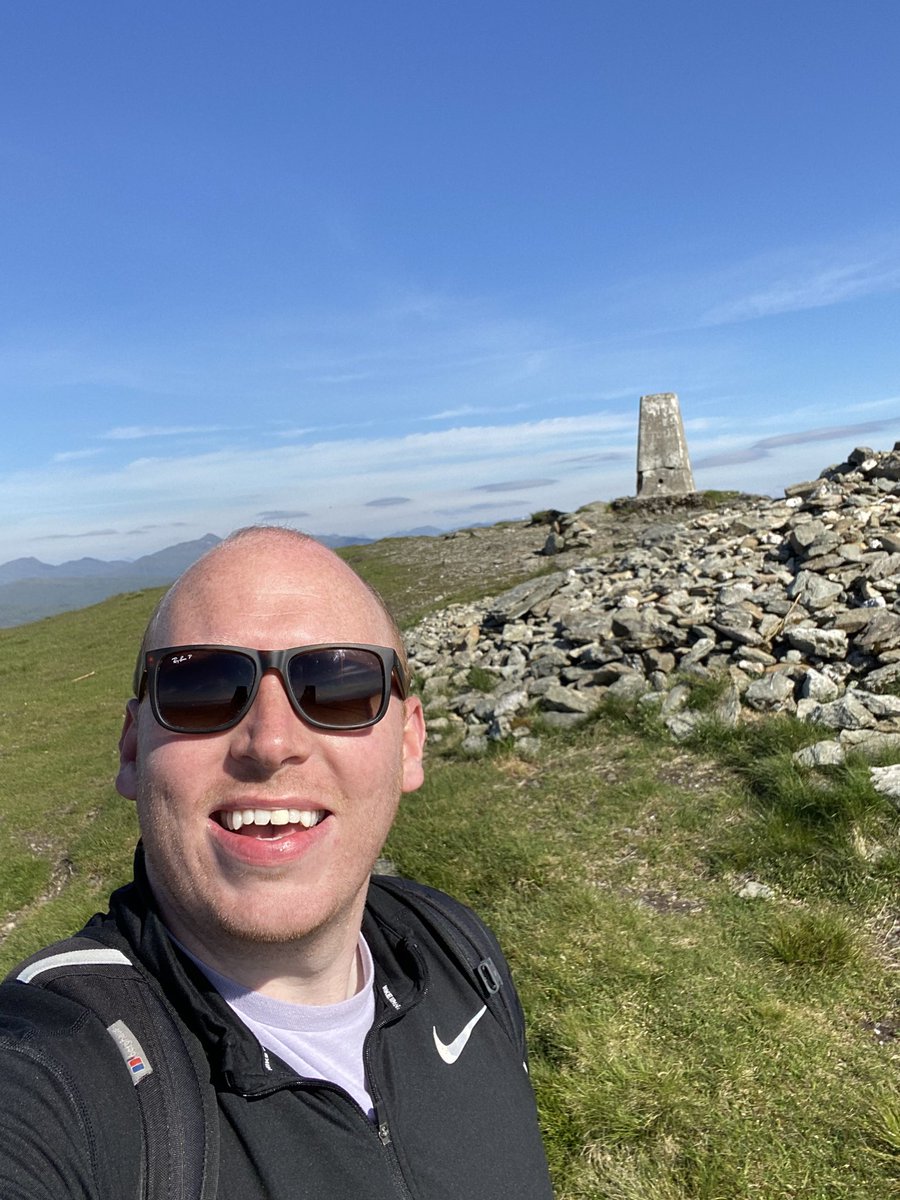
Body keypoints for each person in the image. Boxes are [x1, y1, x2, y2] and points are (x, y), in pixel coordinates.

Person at [0, 527, 554, 1199]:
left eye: (337, 685)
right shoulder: (54, 1060)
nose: (270, 742)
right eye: (200, 685)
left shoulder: (458, 950)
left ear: (408, 745)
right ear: (131, 750)